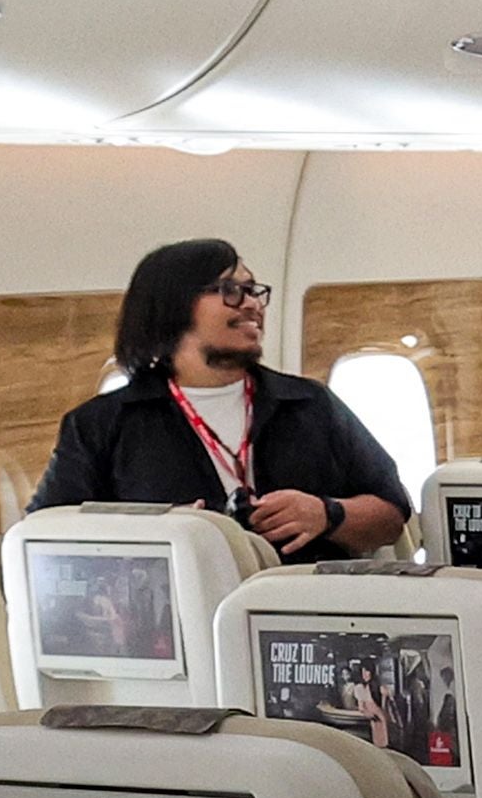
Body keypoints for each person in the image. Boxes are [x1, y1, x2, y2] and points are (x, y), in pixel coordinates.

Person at [36, 238, 414, 562]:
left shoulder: (309, 404)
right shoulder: (103, 425)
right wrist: (155, 533)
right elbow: (45, 539)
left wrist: (327, 514)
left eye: (254, 291)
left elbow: (392, 514)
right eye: (231, 290)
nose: (252, 305)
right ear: (174, 304)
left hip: (304, 610)